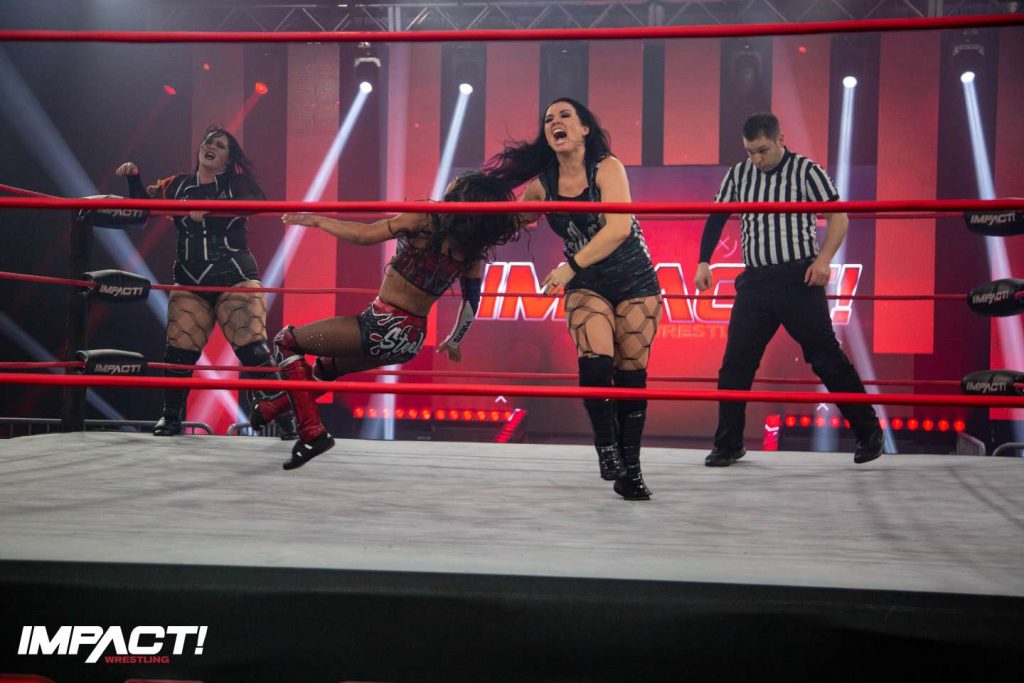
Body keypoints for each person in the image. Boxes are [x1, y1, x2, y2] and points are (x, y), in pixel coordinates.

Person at [250, 171, 522, 470]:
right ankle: (272, 407)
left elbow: (364, 236)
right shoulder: (471, 252)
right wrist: (454, 340)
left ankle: (312, 432)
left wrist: (318, 221)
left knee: (287, 342)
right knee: (326, 368)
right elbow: (472, 302)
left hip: (382, 324)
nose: (451, 182)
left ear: (461, 194)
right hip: (410, 340)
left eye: (457, 182)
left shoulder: (425, 218)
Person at [487, 98, 663, 501]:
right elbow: (510, 221)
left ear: (585, 128)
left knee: (631, 377)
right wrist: (469, 206)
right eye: (549, 119)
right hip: (588, 282)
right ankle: (606, 447)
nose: (556, 122)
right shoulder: (542, 186)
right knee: (596, 363)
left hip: (635, 279)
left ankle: (632, 472)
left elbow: (619, 228)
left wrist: (569, 266)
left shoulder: (608, 168)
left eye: (565, 115)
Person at [695, 112, 883, 467]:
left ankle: (869, 431)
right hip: (755, 282)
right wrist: (703, 260)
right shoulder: (739, 174)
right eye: (750, 151)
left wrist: (824, 259)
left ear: (780, 139)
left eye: (762, 150)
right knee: (735, 364)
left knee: (826, 357)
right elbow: (717, 215)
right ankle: (729, 444)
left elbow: (839, 216)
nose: (756, 159)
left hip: (798, 279)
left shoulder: (805, 170)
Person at [116, 125, 296, 438]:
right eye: (208, 141)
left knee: (253, 351)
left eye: (220, 145)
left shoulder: (237, 183)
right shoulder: (177, 185)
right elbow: (142, 212)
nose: (211, 146)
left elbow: (259, 202)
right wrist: (134, 178)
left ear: (228, 159)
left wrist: (213, 209)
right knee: (178, 352)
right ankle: (170, 417)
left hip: (234, 277)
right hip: (191, 279)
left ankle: (287, 420)